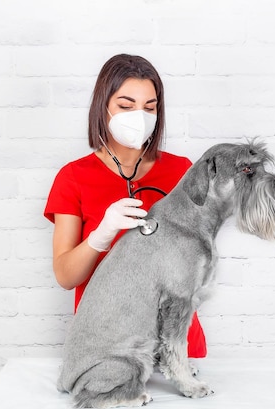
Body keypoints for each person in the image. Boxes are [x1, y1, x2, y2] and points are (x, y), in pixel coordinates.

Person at [44, 54, 207, 358]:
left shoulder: (183, 172)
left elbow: (199, 264)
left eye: (149, 107)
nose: (139, 116)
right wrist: (99, 237)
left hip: (178, 351)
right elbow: (66, 277)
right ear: (103, 106)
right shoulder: (73, 178)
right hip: (108, 350)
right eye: (126, 106)